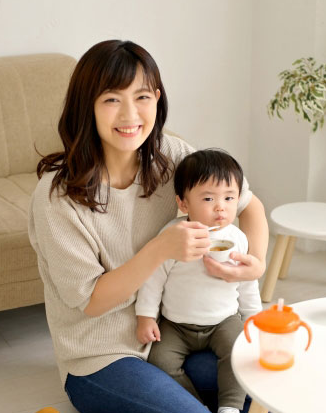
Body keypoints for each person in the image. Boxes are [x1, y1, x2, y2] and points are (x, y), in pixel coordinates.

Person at [28, 39, 269, 413]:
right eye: (112, 99)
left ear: (156, 99)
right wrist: (160, 249)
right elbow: (91, 301)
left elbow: (250, 207)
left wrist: (255, 264)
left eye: (141, 97)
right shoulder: (57, 198)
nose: (130, 114)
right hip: (103, 356)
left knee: (270, 377)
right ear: (87, 106)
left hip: (180, 332)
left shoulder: (174, 156)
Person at [136, 149, 262, 413]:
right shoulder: (173, 235)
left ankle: (230, 407)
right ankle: (193, 404)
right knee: (159, 361)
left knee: (240, 354)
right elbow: (153, 278)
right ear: (183, 204)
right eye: (208, 198)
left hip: (224, 321)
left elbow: (247, 282)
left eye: (229, 198)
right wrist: (146, 317)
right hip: (176, 325)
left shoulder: (238, 238)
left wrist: (253, 319)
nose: (220, 207)